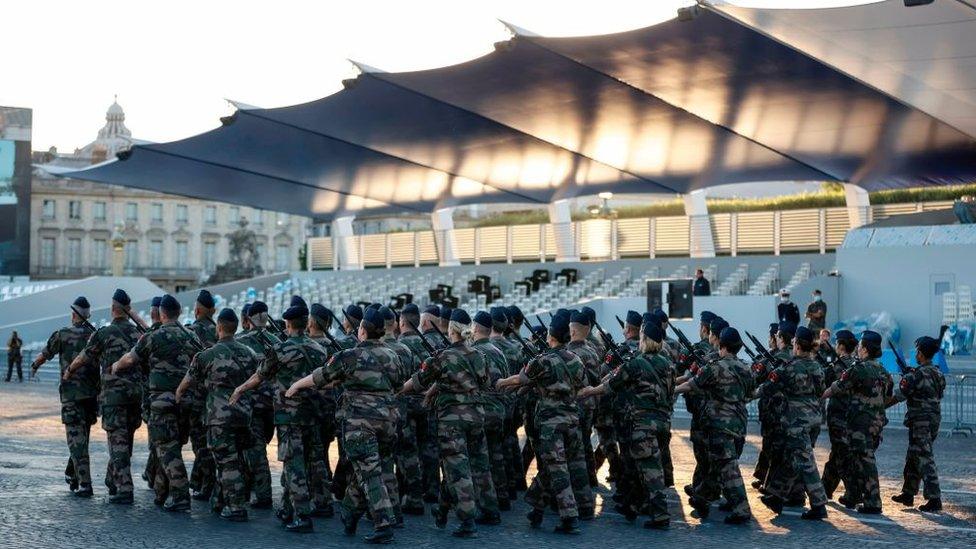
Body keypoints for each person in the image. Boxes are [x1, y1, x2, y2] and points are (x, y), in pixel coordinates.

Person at [231, 303, 329, 533]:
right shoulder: (319, 349)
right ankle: (288, 508)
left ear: (287, 324)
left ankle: (303, 516)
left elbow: (259, 376)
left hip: (289, 416)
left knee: (293, 465)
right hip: (312, 414)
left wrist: (240, 389)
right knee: (309, 461)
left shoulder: (281, 350)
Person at [400, 308, 498, 538]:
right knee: (478, 463)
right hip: (476, 416)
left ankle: (467, 521)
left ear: (451, 330)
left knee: (457, 469)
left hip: (451, 421)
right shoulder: (478, 356)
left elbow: (418, 381)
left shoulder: (441, 357)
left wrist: (396, 391)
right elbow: (484, 383)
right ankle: (484, 509)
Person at [497, 313, 592, 535]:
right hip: (572, 421)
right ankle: (537, 507)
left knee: (556, 468)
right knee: (553, 465)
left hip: (551, 424)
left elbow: (521, 379)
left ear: (550, 336)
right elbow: (583, 387)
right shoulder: (575, 359)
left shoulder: (544, 360)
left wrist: (501, 382)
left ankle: (570, 517)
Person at [581, 321, 673, 529]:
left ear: (644, 340)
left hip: (642, 425)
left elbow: (610, 384)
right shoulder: (668, 364)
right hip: (662, 423)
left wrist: (589, 391)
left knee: (650, 470)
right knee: (634, 466)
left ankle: (660, 515)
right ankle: (632, 505)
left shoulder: (636, 363)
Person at [112, 294, 195, 511]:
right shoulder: (192, 336)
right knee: (169, 446)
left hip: (162, 403)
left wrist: (115, 366)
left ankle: (180, 496)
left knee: (167, 449)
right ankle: (161, 492)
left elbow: (130, 358)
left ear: (162, 313)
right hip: (185, 401)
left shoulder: (156, 336)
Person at [175, 308, 256, 522]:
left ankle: (236, 507)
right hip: (244, 414)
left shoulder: (207, 355)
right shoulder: (249, 353)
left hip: (220, 417)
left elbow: (187, 382)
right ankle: (219, 501)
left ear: (218, 327)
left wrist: (178, 394)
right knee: (234, 458)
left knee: (226, 461)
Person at [676, 326, 753, 525]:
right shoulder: (746, 368)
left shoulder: (715, 367)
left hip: (720, 424)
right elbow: (751, 392)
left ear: (722, 345)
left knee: (728, 467)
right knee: (718, 463)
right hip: (739, 423)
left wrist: (669, 389)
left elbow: (691, 385)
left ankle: (741, 508)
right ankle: (701, 498)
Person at [758, 326, 828, 520]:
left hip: (796, 420)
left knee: (806, 462)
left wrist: (746, 394)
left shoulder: (789, 367)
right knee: (792, 457)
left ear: (796, 344)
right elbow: (821, 390)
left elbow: (768, 387)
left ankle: (819, 504)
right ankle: (776, 496)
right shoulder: (816, 367)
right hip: (814, 417)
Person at [31, 297, 98, 496]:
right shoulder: (96, 336)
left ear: (74, 315)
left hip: (71, 396)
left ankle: (85, 484)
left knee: (75, 440)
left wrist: (34, 366)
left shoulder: (63, 334)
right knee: (82, 438)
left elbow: (45, 354)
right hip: (91, 396)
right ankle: (73, 473)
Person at [822, 330, 892, 514]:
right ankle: (856, 495)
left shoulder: (859, 369)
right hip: (876, 423)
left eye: (861, 347)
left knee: (865, 461)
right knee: (858, 460)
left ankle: (873, 502)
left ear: (866, 350)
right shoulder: (884, 372)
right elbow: (889, 396)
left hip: (861, 424)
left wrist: (818, 396)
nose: (858, 349)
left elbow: (837, 387)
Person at [889, 336, 946, 512]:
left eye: (917, 351)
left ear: (920, 353)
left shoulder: (916, 374)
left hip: (921, 420)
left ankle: (934, 498)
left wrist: (878, 405)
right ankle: (908, 493)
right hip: (933, 419)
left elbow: (900, 395)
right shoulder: (937, 373)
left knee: (924, 457)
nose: (916, 354)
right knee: (914, 455)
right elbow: (938, 394)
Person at [233, 300, 278, 508]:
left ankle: (262, 494)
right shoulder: (278, 341)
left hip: (250, 405)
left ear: (248, 319)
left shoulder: (240, 341)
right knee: (259, 447)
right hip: (272, 405)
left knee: (255, 450)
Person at [185, 290, 219, 501]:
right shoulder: (220, 331)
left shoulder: (190, 332)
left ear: (197, 310)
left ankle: (207, 484)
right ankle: (202, 481)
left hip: (196, 396)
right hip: (216, 396)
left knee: (200, 443)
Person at [821, 330, 857, 502]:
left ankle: (853, 492)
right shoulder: (857, 365)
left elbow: (823, 385)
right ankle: (824, 488)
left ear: (841, 346)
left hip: (838, 416)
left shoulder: (837, 367)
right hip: (851, 414)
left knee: (841, 455)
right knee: (837, 452)